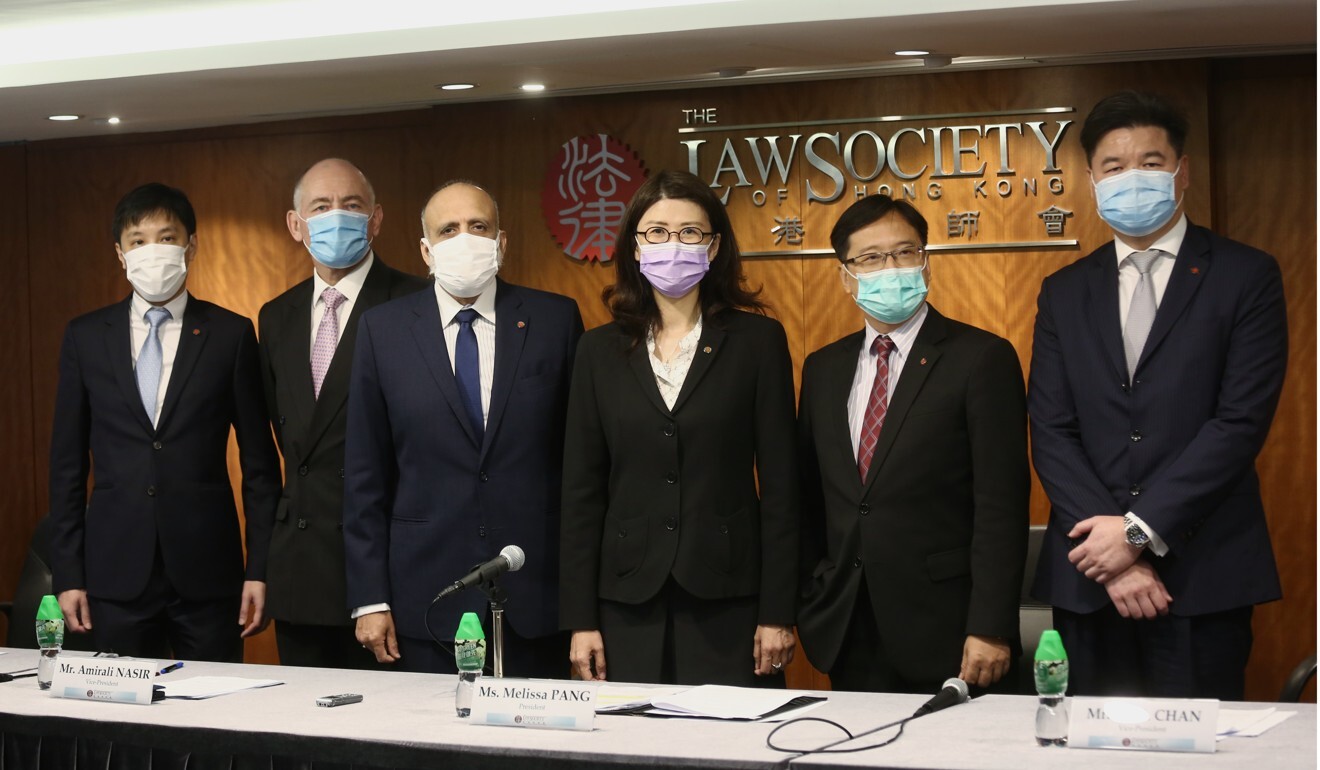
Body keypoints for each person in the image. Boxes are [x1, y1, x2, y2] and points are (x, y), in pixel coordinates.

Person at [1028, 90, 1287, 700]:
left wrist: (1138, 533)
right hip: (1091, 581)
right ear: (1091, 179)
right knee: (1087, 753)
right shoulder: (1063, 291)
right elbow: (1052, 428)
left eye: (1150, 162)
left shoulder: (1245, 275)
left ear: (1182, 171)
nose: (1131, 178)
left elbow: (1238, 424)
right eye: (1114, 167)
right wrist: (1112, 553)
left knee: (1197, 753)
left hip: (1204, 577)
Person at [560, 169, 799, 687]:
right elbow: (581, 492)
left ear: (713, 247)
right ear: (635, 246)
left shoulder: (757, 342)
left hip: (729, 595)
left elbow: (782, 487)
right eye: (657, 232)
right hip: (624, 597)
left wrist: (778, 611)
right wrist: (581, 620)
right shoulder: (597, 352)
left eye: (690, 232)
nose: (674, 244)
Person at [343, 180, 583, 677]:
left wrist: (585, 607)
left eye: (479, 226)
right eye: (448, 230)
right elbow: (365, 475)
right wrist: (369, 598)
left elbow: (580, 468)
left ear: (502, 242)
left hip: (537, 597)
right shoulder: (382, 330)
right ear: (426, 250)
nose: (465, 238)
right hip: (426, 594)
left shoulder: (554, 319)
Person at [795, 194, 1029, 695]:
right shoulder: (823, 368)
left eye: (904, 252)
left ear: (926, 262)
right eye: (871, 258)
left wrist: (990, 626)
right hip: (850, 628)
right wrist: (813, 594)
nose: (891, 268)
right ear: (846, 276)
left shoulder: (980, 358)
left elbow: (1000, 506)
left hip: (951, 630)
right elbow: (810, 499)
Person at [48, 182, 281, 661]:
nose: (152, 250)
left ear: (191, 245)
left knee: (214, 718)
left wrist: (260, 568)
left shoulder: (230, 335)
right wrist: (68, 575)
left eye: (167, 236)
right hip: (114, 573)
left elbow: (260, 468)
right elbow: (67, 467)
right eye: (138, 240)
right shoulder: (86, 337)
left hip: (208, 574)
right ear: (120, 253)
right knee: (119, 727)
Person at [257, 159, 430, 668]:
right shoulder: (276, 316)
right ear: (296, 225)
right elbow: (281, 444)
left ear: (376, 219)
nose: (338, 218)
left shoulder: (417, 302)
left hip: (386, 574)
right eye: (322, 207)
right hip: (301, 570)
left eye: (352, 206)